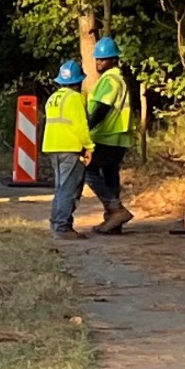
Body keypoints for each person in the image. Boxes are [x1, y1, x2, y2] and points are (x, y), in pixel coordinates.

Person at [85, 36, 137, 234]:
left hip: (108, 136)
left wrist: (86, 129)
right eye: (97, 59)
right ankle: (114, 223)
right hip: (118, 136)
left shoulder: (110, 80)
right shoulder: (119, 78)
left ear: (114, 60)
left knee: (88, 170)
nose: (99, 63)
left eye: (103, 59)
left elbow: (101, 109)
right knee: (110, 176)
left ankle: (116, 210)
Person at [44, 61, 95, 238]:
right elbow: (81, 126)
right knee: (70, 189)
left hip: (53, 147)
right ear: (78, 81)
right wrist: (89, 147)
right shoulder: (75, 98)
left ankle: (56, 222)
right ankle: (62, 227)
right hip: (70, 148)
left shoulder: (53, 99)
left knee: (60, 187)